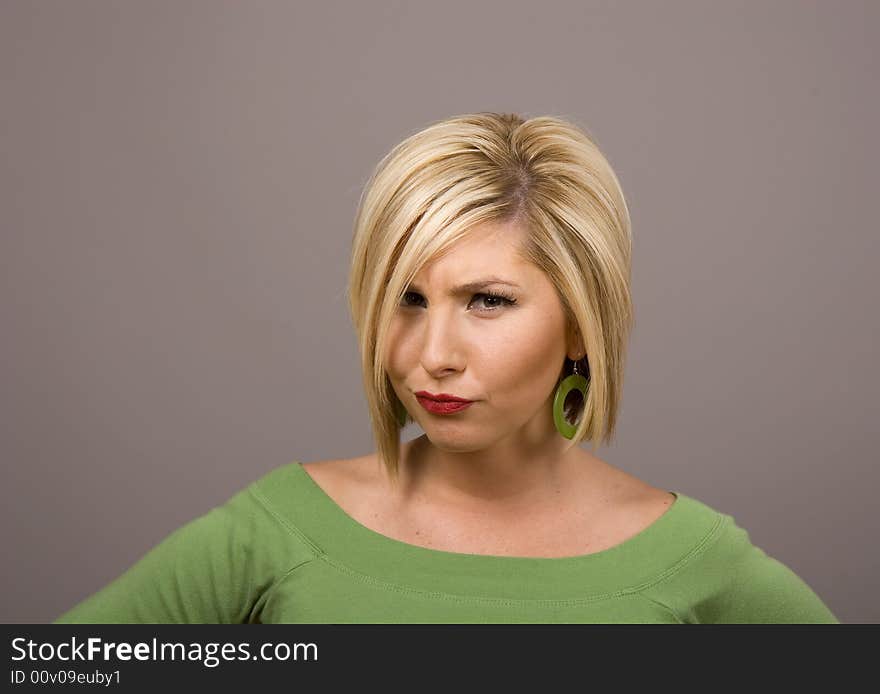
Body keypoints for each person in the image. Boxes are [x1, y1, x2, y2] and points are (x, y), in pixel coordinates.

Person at [53, 112, 839, 624]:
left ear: (579, 323)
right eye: (407, 299)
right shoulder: (278, 534)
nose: (432, 355)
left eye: (488, 301)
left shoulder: (692, 562)